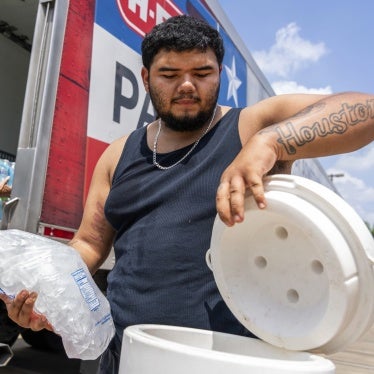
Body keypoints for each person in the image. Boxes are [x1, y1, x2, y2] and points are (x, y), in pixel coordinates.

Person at [1, 15, 374, 373]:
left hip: (223, 358)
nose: (186, 86)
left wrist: (271, 142)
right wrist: (47, 293)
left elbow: (365, 111)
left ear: (219, 75)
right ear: (146, 78)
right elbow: (89, 243)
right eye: (169, 74)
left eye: (202, 73)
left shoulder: (248, 127)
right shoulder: (118, 154)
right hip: (126, 353)